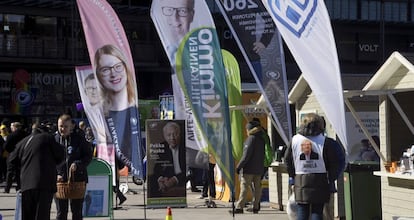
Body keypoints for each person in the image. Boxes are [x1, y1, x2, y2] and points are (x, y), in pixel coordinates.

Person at [284, 113, 345, 220]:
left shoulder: (294, 140)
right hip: (321, 179)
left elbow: (288, 160)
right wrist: (330, 177)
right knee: (317, 210)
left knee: (302, 210)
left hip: (300, 179)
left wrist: (292, 176)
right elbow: (339, 161)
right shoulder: (327, 142)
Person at [94, 44, 142, 177]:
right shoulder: (100, 113)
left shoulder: (133, 111)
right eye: (105, 69)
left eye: (118, 66)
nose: (113, 73)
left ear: (126, 68)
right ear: (98, 74)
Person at [8, 122, 64, 220]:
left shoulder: (23, 142)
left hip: (26, 185)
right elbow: (61, 155)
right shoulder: (47, 138)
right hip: (44, 184)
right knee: (42, 215)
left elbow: (11, 160)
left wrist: (22, 170)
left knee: (28, 216)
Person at [54, 114, 92, 220]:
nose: (63, 129)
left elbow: (88, 156)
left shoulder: (79, 139)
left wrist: (78, 164)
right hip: (59, 181)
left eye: (65, 126)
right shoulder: (54, 140)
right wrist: (55, 174)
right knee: (61, 213)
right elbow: (48, 161)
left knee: (77, 212)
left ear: (71, 126)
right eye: (60, 126)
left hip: (77, 181)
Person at [230, 120, 265, 214]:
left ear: (249, 130)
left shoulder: (250, 139)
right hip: (259, 168)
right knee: (257, 188)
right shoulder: (261, 139)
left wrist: (239, 166)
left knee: (244, 187)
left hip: (249, 169)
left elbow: (246, 156)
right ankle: (256, 206)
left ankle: (239, 207)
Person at [149, 121, 186, 197]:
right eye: (169, 135)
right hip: (167, 178)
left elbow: (188, 169)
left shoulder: (185, 147)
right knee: (152, 182)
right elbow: (157, 168)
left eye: (175, 134)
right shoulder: (162, 147)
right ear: (165, 136)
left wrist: (174, 180)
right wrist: (160, 179)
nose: (172, 138)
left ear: (179, 134)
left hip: (182, 178)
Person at [4, 121, 28, 193]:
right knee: (19, 172)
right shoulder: (25, 135)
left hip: (12, 155)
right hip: (23, 155)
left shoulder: (11, 136)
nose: (11, 129)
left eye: (12, 127)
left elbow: (6, 146)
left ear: (15, 127)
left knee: (10, 172)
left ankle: (7, 188)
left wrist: (10, 151)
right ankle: (19, 187)